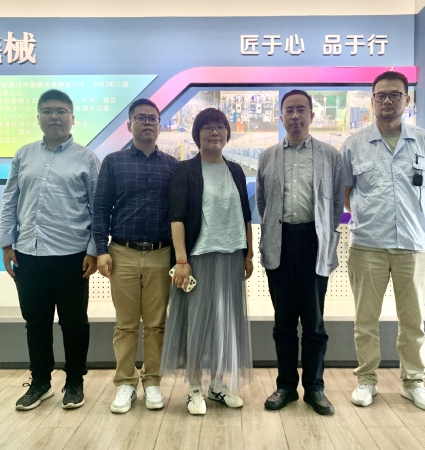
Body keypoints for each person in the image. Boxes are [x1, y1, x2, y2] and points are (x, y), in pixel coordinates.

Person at [341, 71, 425, 411]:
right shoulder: (354, 145)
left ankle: (414, 383)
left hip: (412, 243)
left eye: (395, 95)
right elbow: (346, 193)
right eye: (381, 95)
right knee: (365, 320)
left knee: (413, 320)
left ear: (406, 100)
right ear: (372, 100)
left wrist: (414, 213)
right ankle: (366, 381)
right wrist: (369, 214)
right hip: (367, 243)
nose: (387, 100)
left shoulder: (424, 141)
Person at [0, 89, 100, 411]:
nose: (54, 116)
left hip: (72, 255)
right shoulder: (23, 155)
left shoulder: (87, 158)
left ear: (72, 117)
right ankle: (40, 382)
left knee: (74, 322)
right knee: (36, 321)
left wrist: (94, 250)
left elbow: (98, 208)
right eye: (47, 111)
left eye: (61, 111)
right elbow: (10, 200)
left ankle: (75, 382)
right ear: (38, 116)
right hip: (29, 253)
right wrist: (6, 244)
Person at [160, 107, 254, 416]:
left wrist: (248, 254)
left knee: (224, 322)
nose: (214, 132)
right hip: (198, 258)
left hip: (231, 256)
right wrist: (181, 260)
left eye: (220, 127)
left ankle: (217, 384)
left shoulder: (236, 170)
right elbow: (176, 218)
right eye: (207, 127)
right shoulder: (185, 170)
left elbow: (246, 215)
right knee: (197, 324)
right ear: (197, 134)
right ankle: (194, 388)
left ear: (227, 133)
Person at [256, 89, 344, 416]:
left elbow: (336, 203)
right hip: (279, 243)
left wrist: (325, 233)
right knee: (283, 323)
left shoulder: (329, 156)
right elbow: (263, 202)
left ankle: (315, 388)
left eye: (301, 110)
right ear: (281, 116)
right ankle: (286, 386)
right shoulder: (267, 156)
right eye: (289, 110)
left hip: (314, 243)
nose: (295, 116)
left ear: (311, 115)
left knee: (314, 323)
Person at [92, 99, 178, 414]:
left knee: (156, 324)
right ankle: (125, 383)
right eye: (141, 118)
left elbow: (178, 214)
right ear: (129, 125)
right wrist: (101, 250)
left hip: (160, 253)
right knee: (126, 324)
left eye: (152, 118)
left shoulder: (172, 165)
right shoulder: (113, 162)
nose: (147, 123)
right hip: (122, 253)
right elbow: (101, 207)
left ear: (159, 125)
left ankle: (152, 380)